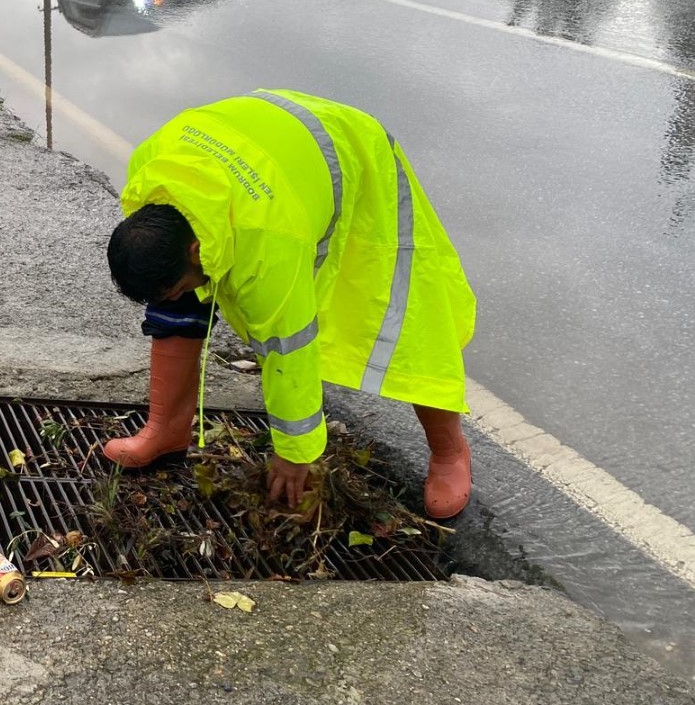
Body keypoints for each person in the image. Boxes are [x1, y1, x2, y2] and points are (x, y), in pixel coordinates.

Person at [102, 89, 477, 519]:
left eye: (174, 282)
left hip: (355, 156)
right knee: (180, 301)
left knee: (403, 312)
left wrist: (295, 454)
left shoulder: (268, 247)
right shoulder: (151, 180)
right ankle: (166, 431)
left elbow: (288, 350)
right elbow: (176, 292)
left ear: (192, 250)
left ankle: (449, 453)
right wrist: (177, 291)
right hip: (272, 155)